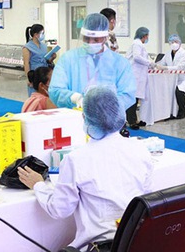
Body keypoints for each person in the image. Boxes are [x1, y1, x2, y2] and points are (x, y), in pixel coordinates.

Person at [18, 85, 154, 250]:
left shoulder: (76, 159)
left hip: (101, 246)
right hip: (136, 243)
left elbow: (60, 209)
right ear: (119, 112)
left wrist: (38, 185)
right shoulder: (140, 150)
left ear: (85, 118)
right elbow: (146, 200)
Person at [49, 13, 136, 116]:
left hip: (109, 120)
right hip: (75, 118)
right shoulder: (68, 59)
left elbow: (128, 94)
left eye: (95, 39)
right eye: (86, 38)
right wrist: (75, 98)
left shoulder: (120, 63)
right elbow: (55, 90)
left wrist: (107, 107)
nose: (90, 43)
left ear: (105, 37)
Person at [157, 34, 185, 120]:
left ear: (180, 43)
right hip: (173, 79)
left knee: (178, 90)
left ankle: (181, 112)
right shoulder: (168, 53)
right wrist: (155, 65)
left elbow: (180, 67)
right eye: (172, 42)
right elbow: (162, 63)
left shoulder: (184, 54)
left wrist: (166, 68)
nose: (174, 44)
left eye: (176, 42)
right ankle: (168, 112)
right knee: (166, 90)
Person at [125, 27, 153, 130]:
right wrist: (149, 63)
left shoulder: (139, 44)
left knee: (136, 98)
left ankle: (135, 119)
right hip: (134, 74)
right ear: (144, 35)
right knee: (132, 99)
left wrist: (150, 64)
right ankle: (131, 121)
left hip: (138, 75)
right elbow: (137, 57)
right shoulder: (137, 43)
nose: (147, 38)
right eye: (147, 36)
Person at [23, 24, 56, 96]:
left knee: (45, 94)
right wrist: (28, 79)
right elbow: (26, 63)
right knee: (35, 94)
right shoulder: (27, 47)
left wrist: (52, 58)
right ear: (36, 34)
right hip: (35, 73)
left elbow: (46, 60)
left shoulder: (44, 45)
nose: (43, 35)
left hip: (45, 72)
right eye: (42, 33)